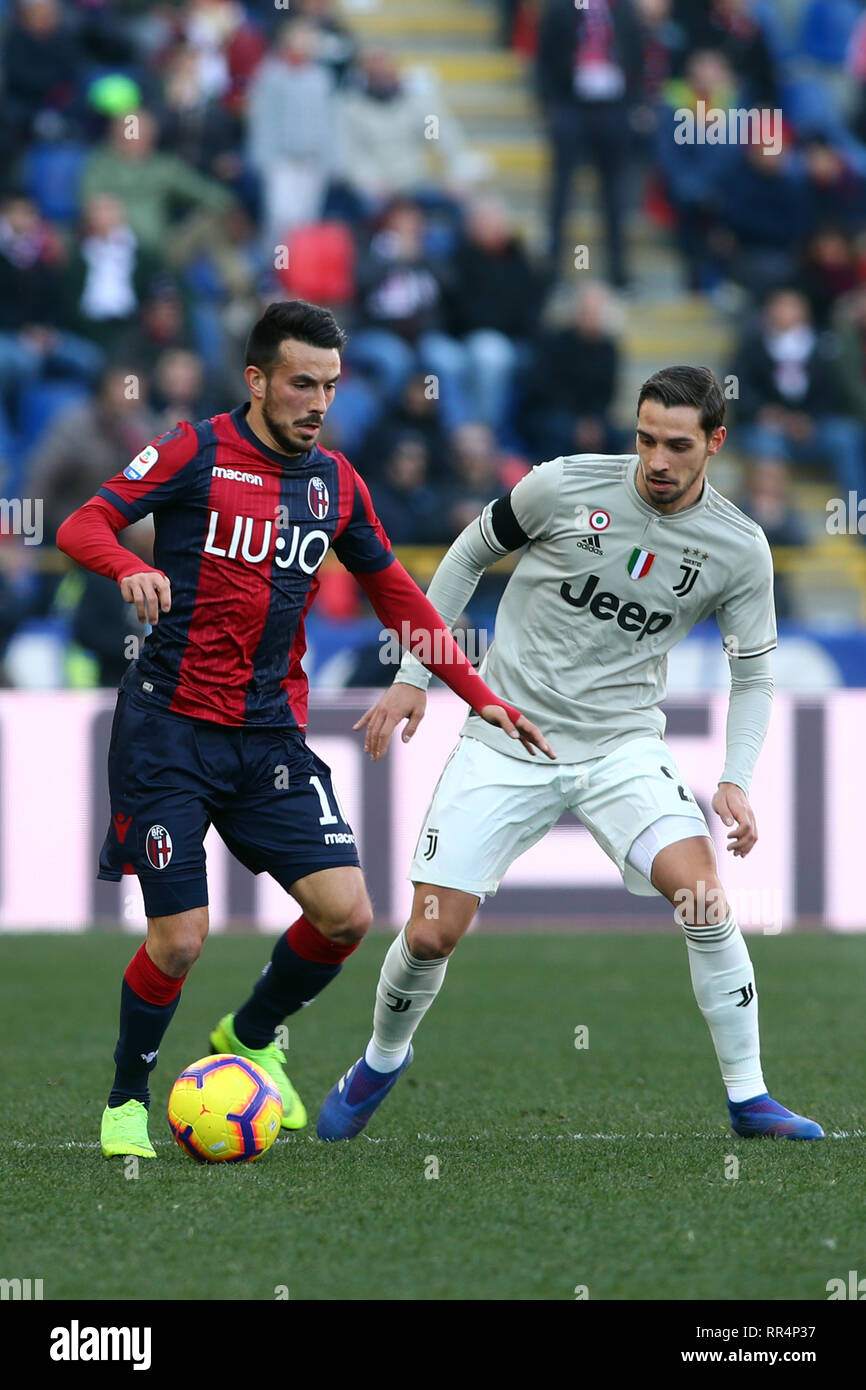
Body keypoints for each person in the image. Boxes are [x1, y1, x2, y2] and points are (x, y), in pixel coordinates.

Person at [55, 299, 552, 1160]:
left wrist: (481, 694)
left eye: (330, 384)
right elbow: (79, 524)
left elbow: (395, 591)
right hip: (168, 731)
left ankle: (248, 1035)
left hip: (268, 738)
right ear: (257, 381)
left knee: (346, 915)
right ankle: (127, 1098)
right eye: (300, 383)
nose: (318, 401)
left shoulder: (336, 482)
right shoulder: (194, 450)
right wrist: (131, 563)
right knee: (179, 941)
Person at [317, 364, 824, 1143]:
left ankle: (750, 1097)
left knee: (704, 899)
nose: (657, 460)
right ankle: (382, 1059)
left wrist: (735, 778)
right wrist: (414, 672)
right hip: (506, 734)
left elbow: (751, 674)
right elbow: (462, 558)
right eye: (646, 439)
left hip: (621, 743)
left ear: (715, 443)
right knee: (428, 934)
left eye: (678, 445)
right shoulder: (561, 485)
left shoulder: (739, 547)